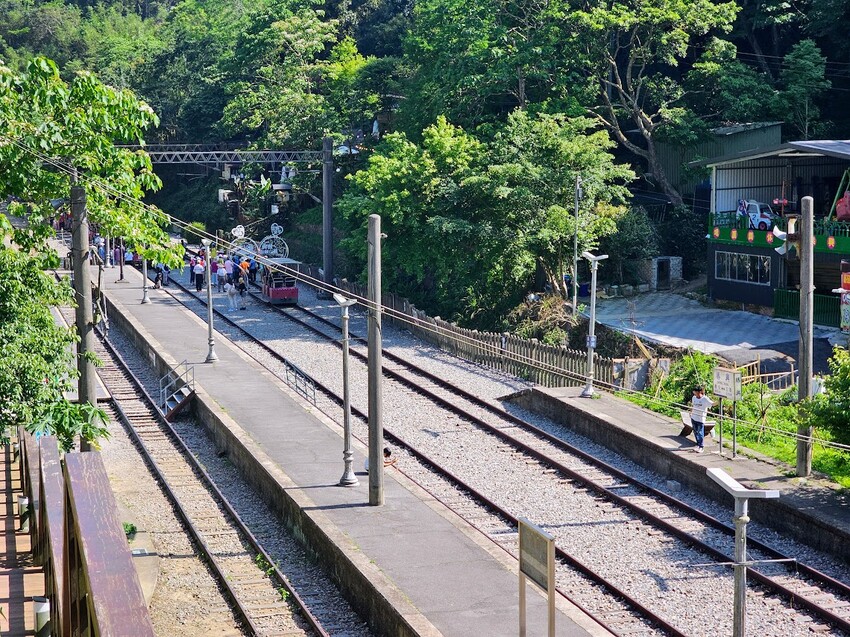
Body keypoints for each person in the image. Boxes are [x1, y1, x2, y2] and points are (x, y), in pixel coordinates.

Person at [689, 385, 714, 454]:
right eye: (694, 391)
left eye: (695, 391)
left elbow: (712, 404)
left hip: (700, 419)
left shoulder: (705, 399)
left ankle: (701, 447)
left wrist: (720, 400)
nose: (694, 392)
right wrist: (691, 413)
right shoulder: (694, 398)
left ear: (699, 392)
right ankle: (698, 444)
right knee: (695, 432)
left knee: (700, 433)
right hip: (694, 417)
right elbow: (693, 406)